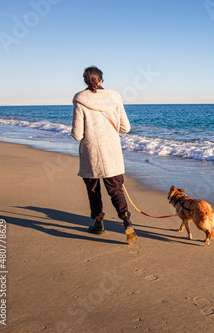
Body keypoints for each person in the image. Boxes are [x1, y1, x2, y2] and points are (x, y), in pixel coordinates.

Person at [71, 66, 137, 245]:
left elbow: (77, 134)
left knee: (93, 191)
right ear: (101, 80)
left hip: (90, 153)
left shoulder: (80, 100)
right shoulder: (114, 98)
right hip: (111, 152)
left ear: (86, 81)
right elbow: (126, 128)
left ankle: (98, 223)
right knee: (116, 190)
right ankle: (126, 221)